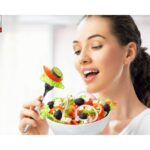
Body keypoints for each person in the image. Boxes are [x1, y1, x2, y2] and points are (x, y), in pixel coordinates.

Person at [19, 15, 150, 135]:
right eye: (77, 51)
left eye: (96, 46)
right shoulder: (67, 120)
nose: (82, 58)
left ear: (128, 53)